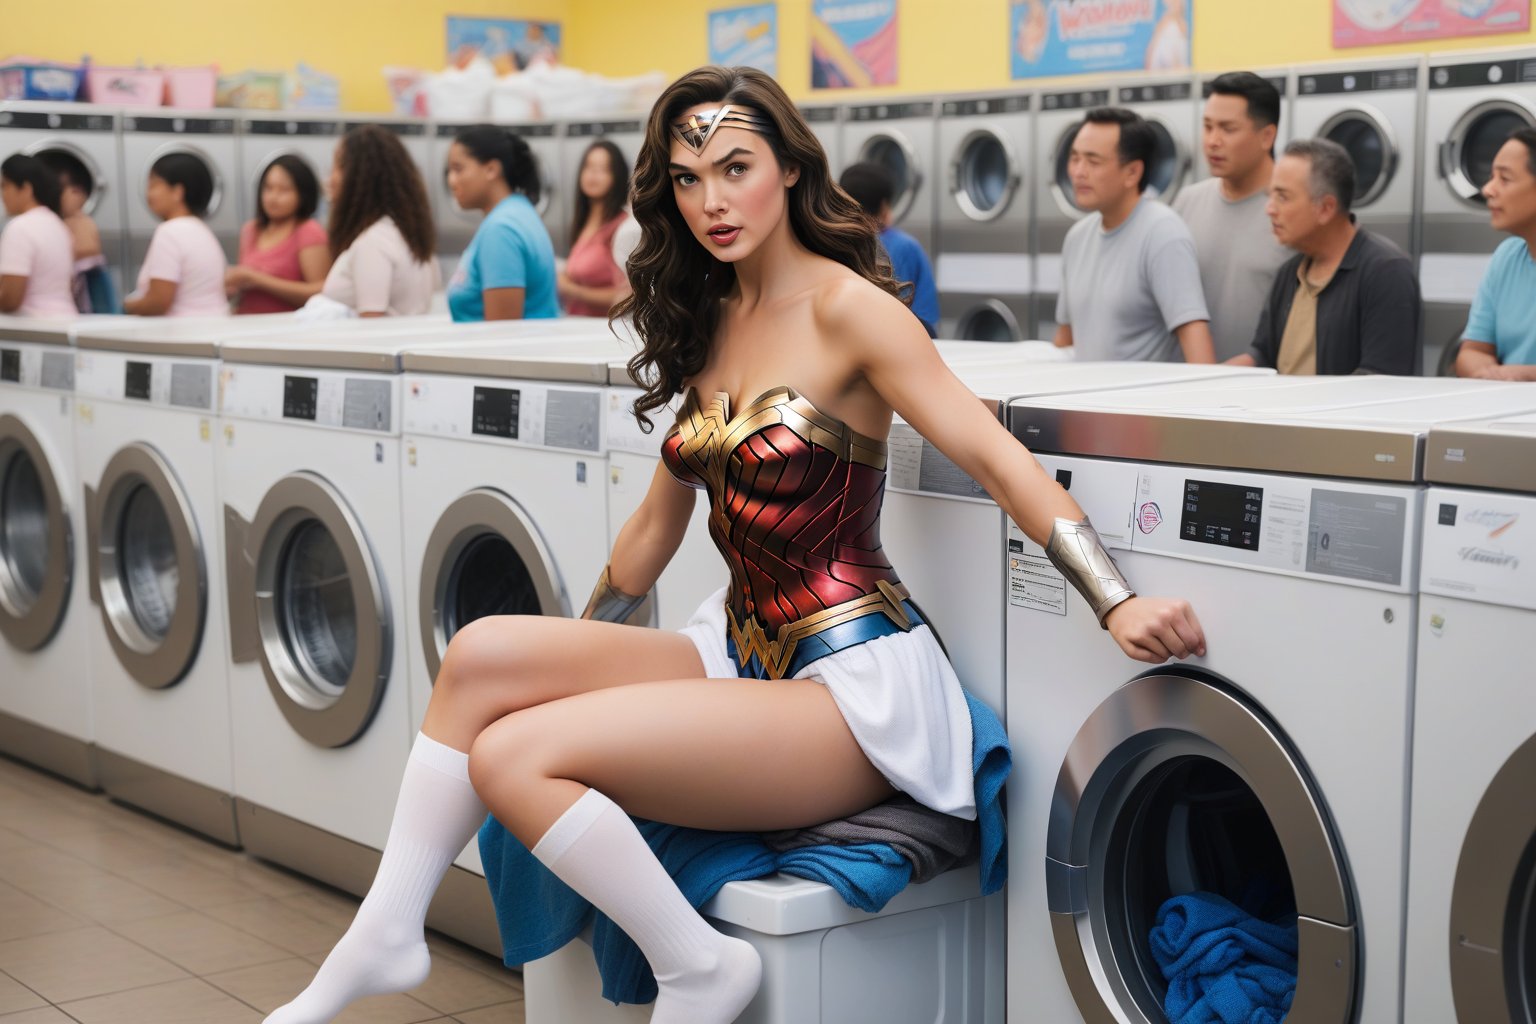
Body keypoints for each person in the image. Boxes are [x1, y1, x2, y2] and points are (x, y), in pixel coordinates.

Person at [263, 66, 1205, 1024]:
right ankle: (387, 929)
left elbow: (1000, 461)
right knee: (482, 656)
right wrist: (583, 663)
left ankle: (698, 968)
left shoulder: (853, 311)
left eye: (734, 166)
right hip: (738, 651)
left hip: (852, 687)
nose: (711, 201)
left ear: (790, 168)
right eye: (685, 178)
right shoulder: (711, 314)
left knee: (515, 757)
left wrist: (1114, 597)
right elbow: (650, 533)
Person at [1236, 138, 1419, 375]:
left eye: (1283, 197)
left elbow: (1380, 381)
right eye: (1270, 196)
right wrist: (1211, 381)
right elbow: (1263, 355)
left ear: (1326, 208)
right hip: (1283, 411)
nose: (1269, 209)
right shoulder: (1289, 273)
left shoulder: (1386, 272)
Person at [1054, 107, 1215, 363]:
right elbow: (1065, 341)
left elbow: (1199, 352)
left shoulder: (1163, 233)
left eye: (1093, 161)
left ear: (1133, 172)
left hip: (1137, 403)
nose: (1078, 172)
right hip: (1080, 401)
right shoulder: (1077, 236)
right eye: (1074, 158)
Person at [1174, 72, 1292, 361]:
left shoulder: (1292, 210)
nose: (1213, 141)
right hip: (1190, 391)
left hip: (1269, 388)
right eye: (1207, 127)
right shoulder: (1187, 202)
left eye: (1228, 129)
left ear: (1267, 136)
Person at [313, 125, 437, 318]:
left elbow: (372, 326)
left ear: (359, 175)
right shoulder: (402, 235)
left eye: (337, 166)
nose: (330, 179)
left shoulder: (373, 243)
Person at [445, 125, 559, 322]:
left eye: (458, 169)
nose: (451, 180)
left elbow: (501, 333)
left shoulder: (501, 230)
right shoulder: (518, 212)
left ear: (491, 170)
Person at [1455, 128, 1536, 380]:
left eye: (1505, 179)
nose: (1488, 189)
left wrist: (1523, 376)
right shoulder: (1507, 256)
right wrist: (1493, 374)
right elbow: (1472, 351)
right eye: (1491, 177)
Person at [838, 161, 939, 336]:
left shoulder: (828, 241)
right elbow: (924, 318)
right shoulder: (905, 246)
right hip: (900, 340)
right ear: (885, 207)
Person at [122, 153, 229, 317]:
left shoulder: (169, 232)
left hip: (181, 334)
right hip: (213, 328)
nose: (148, 194)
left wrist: (128, 305)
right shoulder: (203, 230)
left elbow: (158, 302)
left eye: (154, 185)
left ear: (177, 192)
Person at [228, 155, 330, 315]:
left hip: (286, 330)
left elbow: (320, 292)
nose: (273, 197)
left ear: (303, 194)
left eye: (284, 190)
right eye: (268, 188)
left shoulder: (309, 231)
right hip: (245, 325)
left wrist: (256, 279)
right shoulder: (250, 230)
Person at [559, 139, 634, 316]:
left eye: (603, 169)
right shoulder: (583, 222)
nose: (593, 175)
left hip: (604, 332)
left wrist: (572, 290)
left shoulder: (622, 227)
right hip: (578, 326)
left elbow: (628, 295)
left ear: (617, 176)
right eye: (589, 167)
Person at [39, 149, 118, 313]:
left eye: (75, 189)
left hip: (87, 298)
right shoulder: (53, 224)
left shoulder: (82, 221)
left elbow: (89, 251)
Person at [0, 154, 77, 317]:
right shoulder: (57, 225)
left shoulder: (20, 227)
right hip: (66, 319)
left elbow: (11, 299)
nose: (2, 195)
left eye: (5, 186)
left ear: (26, 189)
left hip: (33, 328)